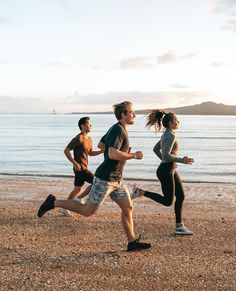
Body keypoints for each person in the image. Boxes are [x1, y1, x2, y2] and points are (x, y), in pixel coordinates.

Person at [38, 101, 151, 252]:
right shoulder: (118, 130)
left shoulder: (117, 129)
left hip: (117, 179)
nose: (134, 115)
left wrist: (119, 150)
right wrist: (133, 155)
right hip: (105, 178)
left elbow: (100, 144)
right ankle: (54, 202)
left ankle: (132, 242)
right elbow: (112, 153)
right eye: (131, 112)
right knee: (87, 211)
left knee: (128, 207)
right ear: (123, 115)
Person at [132, 110, 194, 235]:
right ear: (171, 122)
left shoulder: (166, 134)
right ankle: (139, 192)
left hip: (168, 169)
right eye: (176, 120)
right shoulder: (171, 135)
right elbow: (166, 156)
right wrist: (182, 160)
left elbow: (156, 150)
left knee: (181, 196)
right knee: (168, 201)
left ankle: (179, 226)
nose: (178, 122)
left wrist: (168, 161)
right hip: (166, 170)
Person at [59, 116, 104, 217]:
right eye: (88, 124)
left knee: (77, 189)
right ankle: (79, 198)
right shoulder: (78, 138)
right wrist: (75, 163)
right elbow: (66, 150)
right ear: (82, 126)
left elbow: (90, 153)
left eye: (90, 124)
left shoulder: (89, 139)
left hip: (83, 167)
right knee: (96, 182)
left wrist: (101, 151)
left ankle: (64, 207)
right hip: (80, 169)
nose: (90, 125)